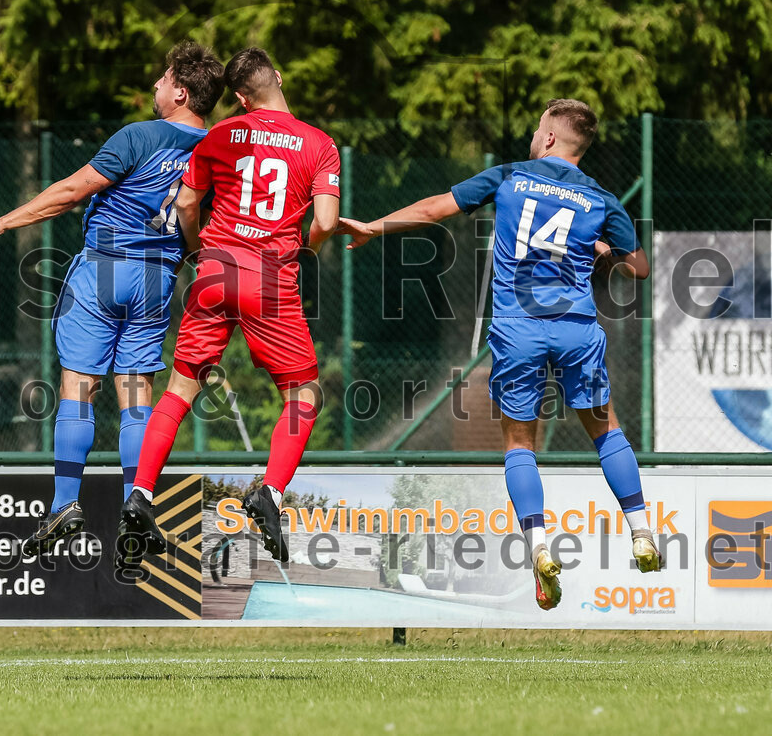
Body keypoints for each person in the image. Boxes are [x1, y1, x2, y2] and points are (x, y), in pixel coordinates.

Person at [337, 98, 664, 610]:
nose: (534, 137)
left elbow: (432, 210)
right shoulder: (601, 198)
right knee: (606, 431)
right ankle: (643, 531)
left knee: (518, 444)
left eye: (538, 129)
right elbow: (639, 268)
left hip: (520, 333)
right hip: (577, 329)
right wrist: (602, 250)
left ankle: (538, 547)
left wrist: (373, 227)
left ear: (550, 138)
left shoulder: (510, 176)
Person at [0, 41, 225, 556]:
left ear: (180, 92)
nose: (155, 86)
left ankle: (64, 504)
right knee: (137, 394)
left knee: (79, 386)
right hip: (158, 278)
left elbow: (71, 191)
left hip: (103, 269)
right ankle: (134, 505)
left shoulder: (140, 136)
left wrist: (0, 222)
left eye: (163, 79)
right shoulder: (214, 150)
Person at [116, 47, 340, 569]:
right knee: (303, 393)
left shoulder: (220, 135)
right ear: (277, 78)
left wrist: (197, 251)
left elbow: (188, 203)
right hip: (270, 279)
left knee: (179, 389)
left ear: (239, 98)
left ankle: (142, 495)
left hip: (215, 270)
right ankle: (270, 493)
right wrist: (307, 252)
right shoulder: (319, 145)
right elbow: (326, 221)